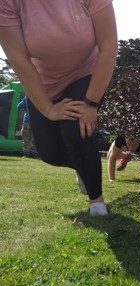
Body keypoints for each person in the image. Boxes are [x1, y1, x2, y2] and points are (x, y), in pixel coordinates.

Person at [0, 1, 118, 216]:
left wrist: (91, 103)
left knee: (76, 130)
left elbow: (108, 47)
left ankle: (97, 202)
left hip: (85, 74)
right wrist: (47, 109)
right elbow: (18, 59)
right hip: (42, 84)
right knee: (50, 154)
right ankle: (81, 167)